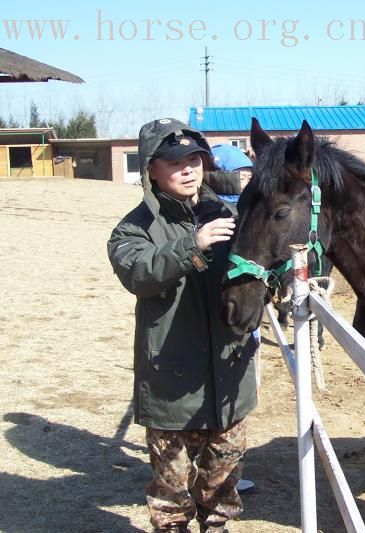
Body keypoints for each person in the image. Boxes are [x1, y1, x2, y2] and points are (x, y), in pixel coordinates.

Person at [108, 118, 259, 533]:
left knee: (222, 488)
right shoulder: (134, 228)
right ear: (151, 169)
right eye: (175, 162)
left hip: (229, 381)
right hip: (172, 385)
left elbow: (255, 271)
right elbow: (140, 273)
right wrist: (194, 245)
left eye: (195, 158)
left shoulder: (229, 215)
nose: (189, 169)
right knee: (172, 496)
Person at [206, 142, 258, 495]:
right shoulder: (218, 214)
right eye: (239, 174)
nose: (245, 179)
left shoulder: (240, 209)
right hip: (217, 327)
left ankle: (226, 476)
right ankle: (217, 479)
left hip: (237, 327)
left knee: (231, 408)